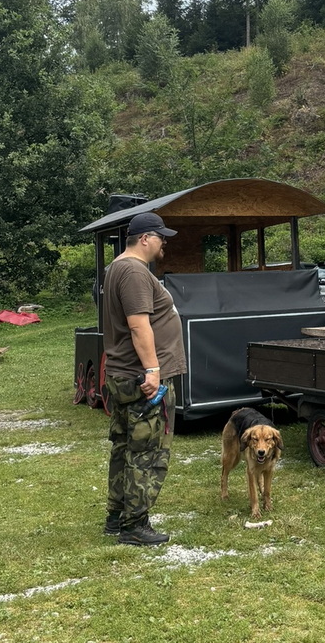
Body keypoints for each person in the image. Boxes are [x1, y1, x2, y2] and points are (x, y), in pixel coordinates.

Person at [101, 212, 186, 546]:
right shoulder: (134, 271)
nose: (165, 243)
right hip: (143, 379)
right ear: (145, 238)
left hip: (125, 373)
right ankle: (134, 525)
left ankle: (116, 516)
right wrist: (153, 370)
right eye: (161, 237)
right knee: (147, 451)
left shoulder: (117, 268)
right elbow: (138, 325)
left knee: (124, 447)